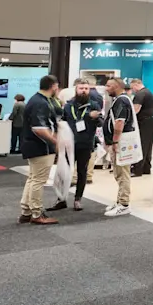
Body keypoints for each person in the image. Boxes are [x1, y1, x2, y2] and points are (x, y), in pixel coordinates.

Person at [18, 75, 60, 225]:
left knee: (33, 178)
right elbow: (39, 128)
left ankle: (26, 211)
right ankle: (36, 213)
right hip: (40, 146)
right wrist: (55, 141)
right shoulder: (40, 102)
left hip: (35, 145)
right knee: (38, 180)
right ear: (54, 86)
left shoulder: (37, 100)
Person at [59, 78, 102, 211]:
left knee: (82, 172)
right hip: (69, 144)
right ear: (76, 89)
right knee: (64, 172)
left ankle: (78, 199)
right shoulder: (68, 106)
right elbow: (62, 123)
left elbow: (101, 123)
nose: (83, 91)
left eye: (86, 88)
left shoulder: (94, 105)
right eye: (81, 88)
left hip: (86, 143)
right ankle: (61, 199)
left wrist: (94, 117)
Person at [103, 77, 135, 217]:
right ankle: (119, 201)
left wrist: (115, 141)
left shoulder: (122, 100)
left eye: (109, 86)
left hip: (121, 143)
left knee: (122, 173)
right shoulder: (120, 100)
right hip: (117, 142)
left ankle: (124, 204)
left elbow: (119, 123)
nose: (106, 88)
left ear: (116, 87)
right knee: (118, 173)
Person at [129, 78, 153, 177]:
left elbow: (136, 109)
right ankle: (146, 168)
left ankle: (137, 170)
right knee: (148, 145)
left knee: (141, 145)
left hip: (144, 121)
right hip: (151, 120)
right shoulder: (148, 92)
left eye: (133, 88)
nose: (133, 90)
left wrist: (129, 119)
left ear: (137, 84)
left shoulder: (140, 94)